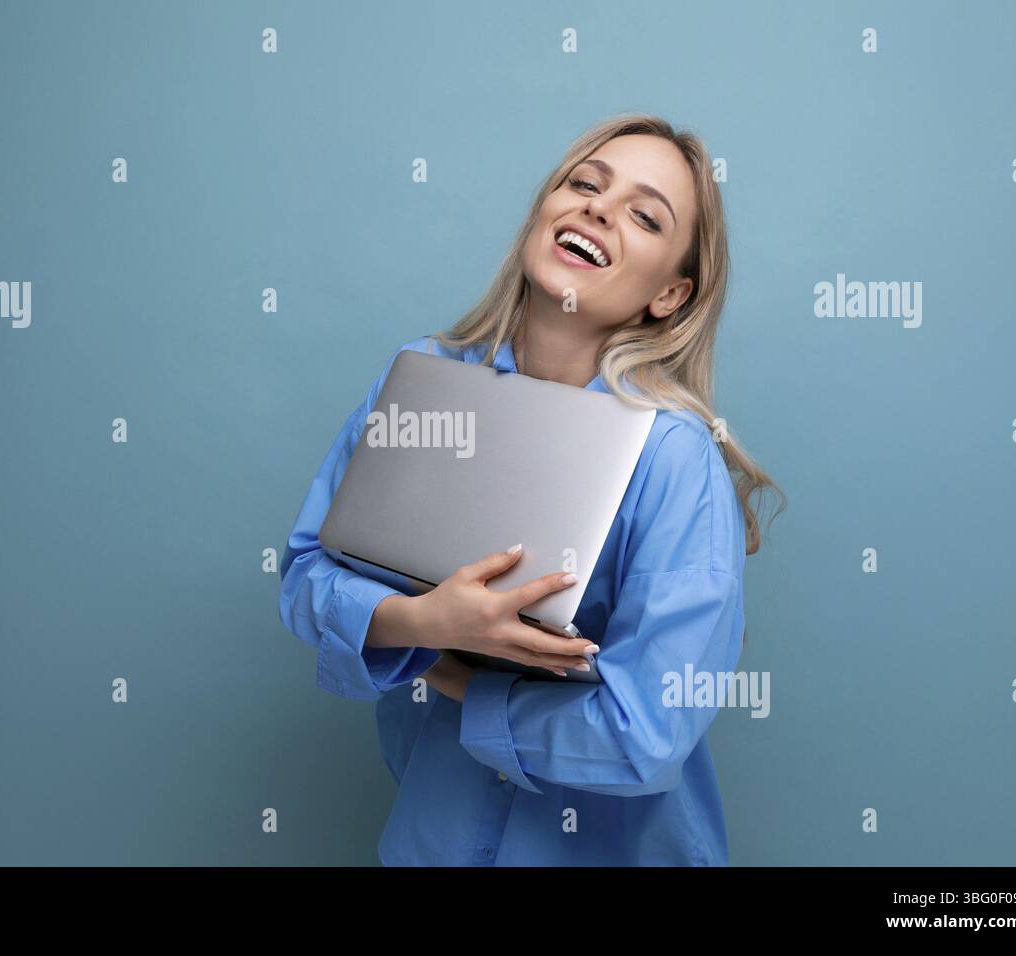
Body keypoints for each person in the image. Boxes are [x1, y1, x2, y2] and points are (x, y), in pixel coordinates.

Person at [278, 113, 785, 866]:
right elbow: (306, 579)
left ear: (671, 296)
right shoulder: (421, 382)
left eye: (645, 216)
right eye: (584, 184)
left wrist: (455, 675)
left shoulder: (675, 460)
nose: (599, 209)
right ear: (544, 211)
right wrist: (421, 620)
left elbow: (646, 734)